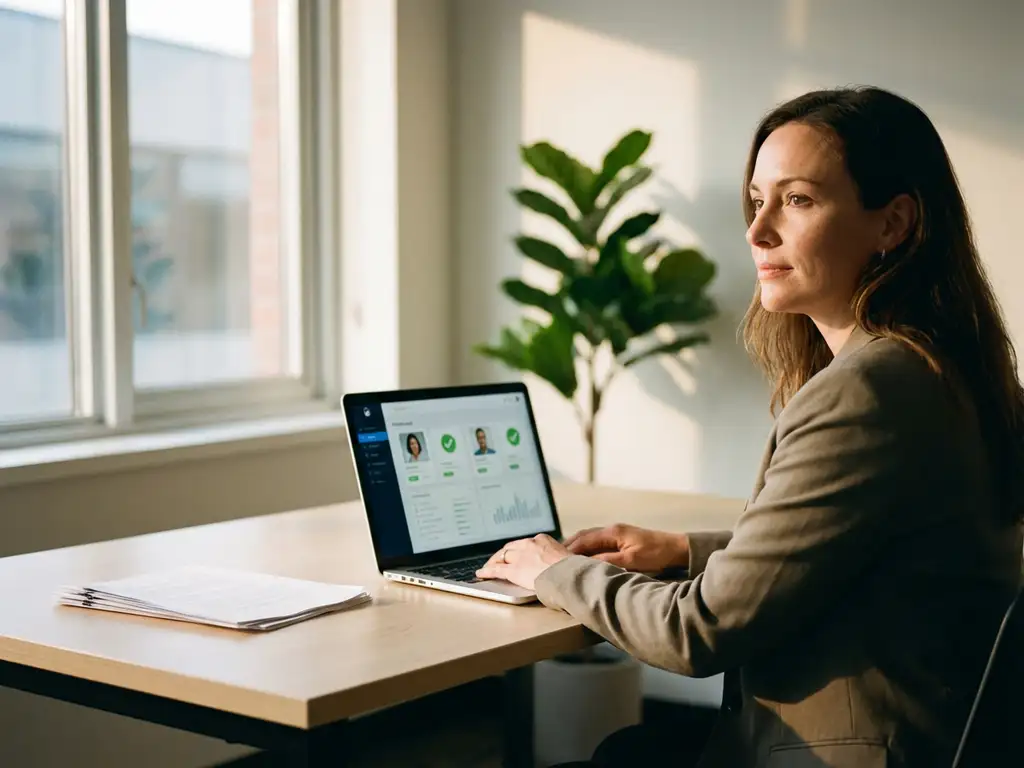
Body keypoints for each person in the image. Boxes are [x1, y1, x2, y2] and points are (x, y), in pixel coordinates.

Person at [477, 86, 1024, 768]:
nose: (757, 230)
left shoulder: (868, 391)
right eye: (757, 199)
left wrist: (555, 570)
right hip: (922, 741)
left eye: (797, 200)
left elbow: (699, 632)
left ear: (893, 224)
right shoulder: (950, 368)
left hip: (843, 755)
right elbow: (866, 550)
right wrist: (684, 550)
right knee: (629, 750)